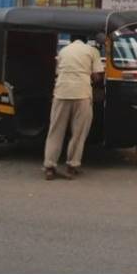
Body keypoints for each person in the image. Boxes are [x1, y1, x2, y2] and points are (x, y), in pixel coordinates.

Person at [43, 34, 104, 180]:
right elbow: (97, 77)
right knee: (78, 132)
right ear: (85, 40)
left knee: (56, 131)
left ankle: (50, 167)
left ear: (70, 40)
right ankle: (71, 167)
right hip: (81, 93)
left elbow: (58, 72)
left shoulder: (63, 51)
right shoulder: (91, 51)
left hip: (61, 92)